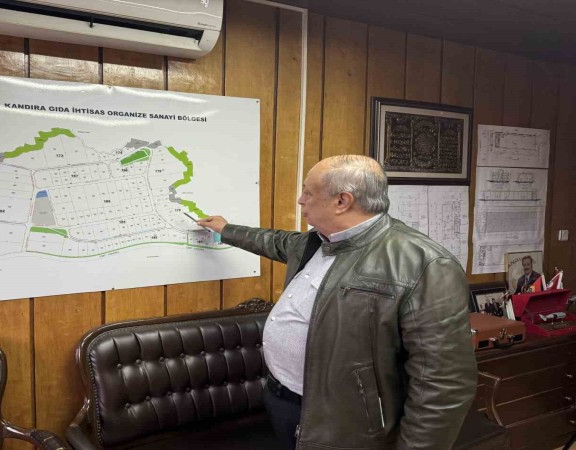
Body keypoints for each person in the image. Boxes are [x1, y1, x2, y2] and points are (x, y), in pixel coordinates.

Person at [197, 155, 476, 450]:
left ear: (342, 201)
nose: (300, 200)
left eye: (308, 192)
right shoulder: (316, 241)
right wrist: (226, 229)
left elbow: (444, 383)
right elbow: (273, 241)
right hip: (284, 400)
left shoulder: (425, 264)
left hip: (348, 425)